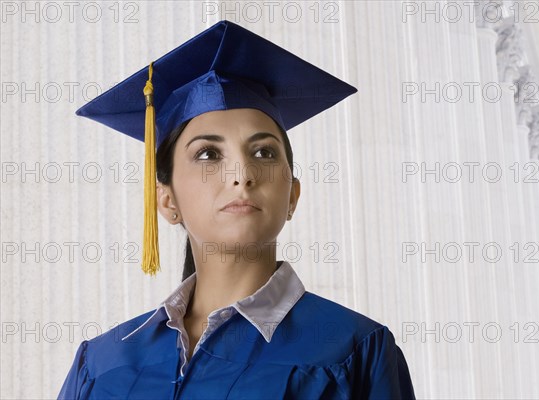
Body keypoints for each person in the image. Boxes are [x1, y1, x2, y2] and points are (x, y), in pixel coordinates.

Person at [59, 20, 416, 399]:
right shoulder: (102, 363)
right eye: (208, 154)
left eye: (263, 152)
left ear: (292, 196)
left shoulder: (353, 351)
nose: (241, 174)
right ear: (166, 200)